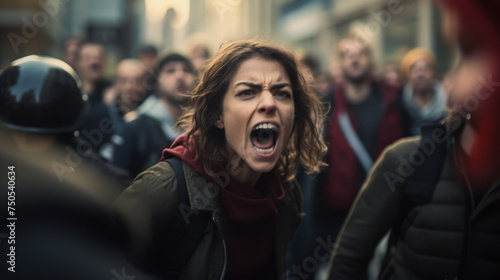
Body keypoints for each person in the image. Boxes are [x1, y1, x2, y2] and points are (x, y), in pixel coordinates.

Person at [113, 40, 327, 279]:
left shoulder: (285, 195)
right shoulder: (166, 189)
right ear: (218, 117)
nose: (269, 103)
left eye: (281, 93)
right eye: (247, 92)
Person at [327, 0, 500, 279]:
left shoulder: (389, 101)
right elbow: (349, 256)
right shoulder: (406, 158)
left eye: (474, 52)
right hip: (342, 206)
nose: (457, 81)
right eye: (464, 55)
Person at [0, 56, 149, 280]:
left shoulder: (105, 184)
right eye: (18, 136)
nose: (25, 145)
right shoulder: (107, 182)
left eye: (34, 137)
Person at [288, 32, 405, 279]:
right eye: (347, 55)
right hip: (335, 212)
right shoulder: (326, 105)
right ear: (340, 63)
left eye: (360, 53)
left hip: (386, 205)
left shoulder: (394, 101)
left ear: (370, 60)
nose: (354, 59)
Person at [107, 53, 195, 178]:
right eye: (170, 71)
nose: (180, 75)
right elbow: (117, 180)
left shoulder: (202, 128)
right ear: (157, 83)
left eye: (186, 70)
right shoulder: (135, 128)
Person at [400, 48, 448, 136]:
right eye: (414, 70)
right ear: (408, 75)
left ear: (434, 73)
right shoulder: (399, 101)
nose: (420, 75)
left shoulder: (449, 101)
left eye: (425, 69)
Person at [76, 41, 112, 153]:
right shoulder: (71, 92)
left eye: (99, 58)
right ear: (78, 63)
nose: (94, 62)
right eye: (87, 58)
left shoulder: (114, 92)